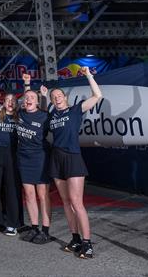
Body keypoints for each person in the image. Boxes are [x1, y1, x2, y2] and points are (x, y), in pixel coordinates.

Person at [44, 66, 102, 259]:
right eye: (54, 97)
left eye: (59, 95)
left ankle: (87, 244)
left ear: (65, 97)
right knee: (66, 202)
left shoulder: (75, 110)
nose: (57, 98)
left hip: (73, 157)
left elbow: (97, 96)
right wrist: (45, 98)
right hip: (56, 158)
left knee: (77, 202)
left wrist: (88, 75)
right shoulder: (52, 116)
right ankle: (75, 238)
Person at [16, 73, 52, 245]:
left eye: (32, 98)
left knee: (42, 195)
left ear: (38, 102)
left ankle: (45, 230)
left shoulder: (44, 115)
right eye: (26, 97)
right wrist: (27, 84)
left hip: (40, 158)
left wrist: (43, 95)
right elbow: (23, 97)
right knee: (29, 195)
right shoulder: (20, 114)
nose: (28, 99)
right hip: (24, 158)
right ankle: (35, 227)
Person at [0, 94, 22, 236]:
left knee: (11, 189)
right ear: (3, 102)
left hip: (12, 154)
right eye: (7, 100)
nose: (10, 103)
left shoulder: (19, 117)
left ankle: (12, 223)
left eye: (13, 100)